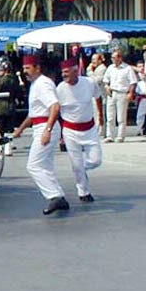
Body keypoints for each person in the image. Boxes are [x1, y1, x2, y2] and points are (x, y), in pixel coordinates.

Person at [12, 54, 68, 215]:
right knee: (46, 165)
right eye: (24, 69)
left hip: (45, 126)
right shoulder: (35, 85)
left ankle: (54, 196)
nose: (25, 72)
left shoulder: (43, 84)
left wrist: (48, 130)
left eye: (28, 68)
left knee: (34, 165)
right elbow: (32, 114)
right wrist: (20, 130)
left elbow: (55, 107)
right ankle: (59, 196)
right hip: (39, 125)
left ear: (38, 68)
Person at [56, 58, 103, 203]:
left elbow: (98, 97)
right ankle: (83, 192)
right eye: (62, 72)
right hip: (70, 130)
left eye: (66, 72)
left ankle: (81, 169)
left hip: (89, 128)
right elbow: (56, 110)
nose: (64, 75)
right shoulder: (60, 89)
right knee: (75, 163)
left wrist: (100, 115)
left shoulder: (89, 83)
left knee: (96, 160)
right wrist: (59, 133)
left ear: (76, 71)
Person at [102, 48, 136, 142]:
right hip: (112, 93)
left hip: (122, 93)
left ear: (120, 58)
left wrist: (130, 93)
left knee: (121, 116)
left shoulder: (127, 68)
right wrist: (106, 87)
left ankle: (120, 136)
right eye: (112, 58)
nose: (113, 59)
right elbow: (106, 80)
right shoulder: (110, 68)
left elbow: (133, 82)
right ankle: (110, 136)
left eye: (115, 57)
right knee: (110, 116)